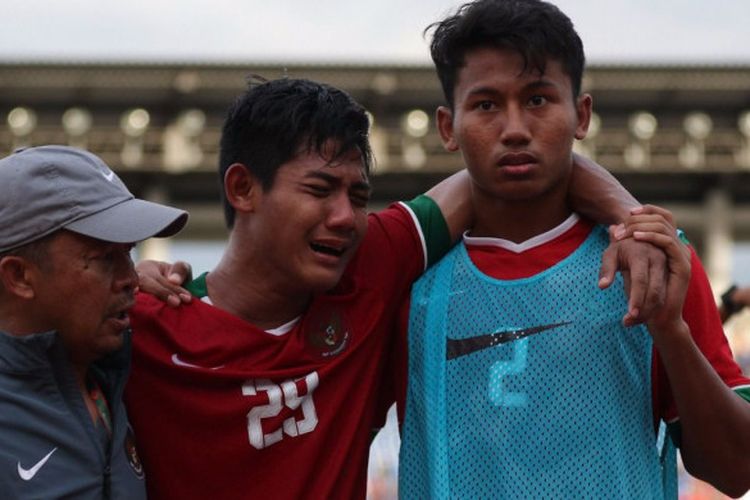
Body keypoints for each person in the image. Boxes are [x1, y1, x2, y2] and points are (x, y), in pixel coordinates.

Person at [129, 77, 668, 499]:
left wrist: (632, 222)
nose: (345, 217)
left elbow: (506, 172)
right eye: (320, 189)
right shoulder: (139, 330)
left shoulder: (368, 272)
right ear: (243, 188)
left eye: (358, 195)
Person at [398, 1, 750, 498]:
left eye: (538, 99)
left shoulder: (656, 259)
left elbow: (737, 472)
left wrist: (670, 330)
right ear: (447, 128)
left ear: (581, 114)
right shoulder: (411, 282)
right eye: (486, 105)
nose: (515, 128)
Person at [0, 145, 188, 498]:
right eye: (103, 258)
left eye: (128, 252)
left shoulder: (120, 370)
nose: (131, 278)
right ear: (20, 276)